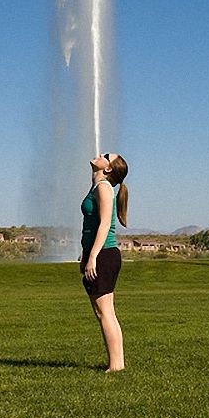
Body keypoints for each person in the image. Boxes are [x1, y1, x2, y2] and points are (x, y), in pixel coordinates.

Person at [80, 152, 128, 372]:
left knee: (104, 313)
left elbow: (105, 224)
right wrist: (87, 253)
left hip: (104, 255)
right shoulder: (99, 187)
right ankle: (117, 364)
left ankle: (116, 366)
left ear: (108, 169)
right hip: (102, 254)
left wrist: (93, 257)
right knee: (106, 312)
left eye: (106, 156)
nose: (100, 154)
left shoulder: (103, 187)